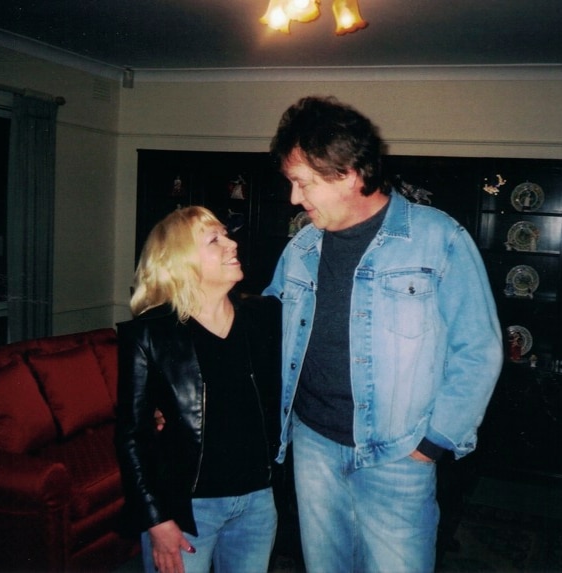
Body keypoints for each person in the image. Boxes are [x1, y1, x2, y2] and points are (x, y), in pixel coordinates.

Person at [262, 96, 504, 573]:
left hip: (398, 453)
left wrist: (431, 444)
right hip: (312, 446)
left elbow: (479, 349)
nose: (294, 198)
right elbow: (262, 335)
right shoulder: (302, 248)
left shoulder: (438, 238)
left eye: (303, 183)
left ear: (348, 174)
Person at [114, 206, 281, 573]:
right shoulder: (148, 335)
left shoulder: (265, 318)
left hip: (257, 503)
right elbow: (132, 435)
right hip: (188, 510)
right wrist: (156, 519)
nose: (231, 244)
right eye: (214, 239)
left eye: (227, 234)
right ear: (181, 260)